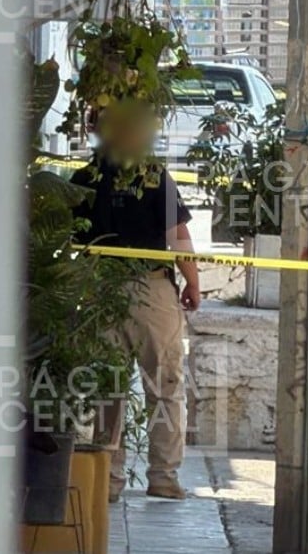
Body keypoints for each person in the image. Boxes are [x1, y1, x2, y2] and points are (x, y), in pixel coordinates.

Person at [71, 104, 201, 502]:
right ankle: (163, 477)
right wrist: (192, 282)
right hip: (151, 290)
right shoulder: (153, 176)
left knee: (108, 390)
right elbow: (177, 235)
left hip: (101, 288)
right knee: (164, 387)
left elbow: (67, 239)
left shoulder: (84, 178)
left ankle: (108, 481)